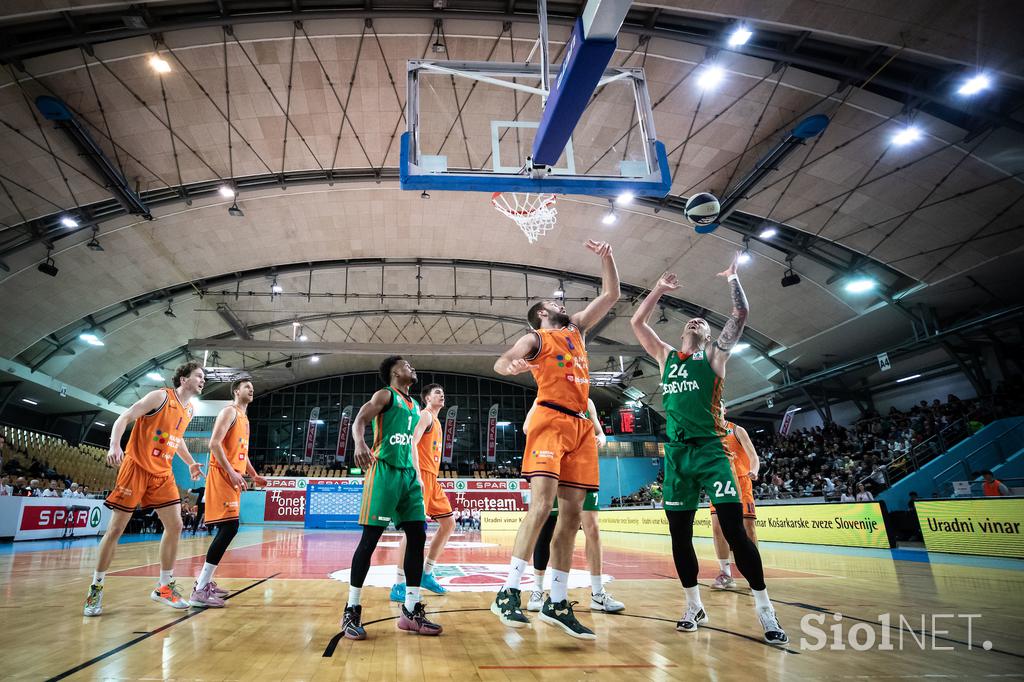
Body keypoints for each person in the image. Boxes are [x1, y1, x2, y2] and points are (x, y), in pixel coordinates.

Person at [629, 258, 787, 645]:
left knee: (735, 530)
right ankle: (693, 604)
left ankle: (765, 608)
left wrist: (733, 277)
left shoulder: (714, 358)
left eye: (701, 322)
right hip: (678, 454)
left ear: (710, 334)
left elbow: (741, 312)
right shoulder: (666, 357)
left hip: (713, 452)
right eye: (690, 321)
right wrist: (659, 290)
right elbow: (637, 323)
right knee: (679, 535)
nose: (694, 322)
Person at [491, 239, 619, 641]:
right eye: (555, 304)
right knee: (543, 506)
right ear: (543, 314)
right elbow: (503, 358)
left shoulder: (577, 330)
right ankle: (508, 591)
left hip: (581, 427)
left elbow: (612, 294)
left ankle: (558, 601)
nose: (563, 305)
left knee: (572, 516)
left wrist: (606, 258)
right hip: (550, 419)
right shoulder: (536, 339)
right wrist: (507, 365)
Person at [83, 361, 206, 617]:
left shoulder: (190, 410)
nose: (202, 379)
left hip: (162, 473)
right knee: (116, 529)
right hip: (136, 467)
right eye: (198, 375)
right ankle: (96, 587)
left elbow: (177, 438)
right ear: (183, 379)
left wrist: (191, 461)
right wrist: (114, 444)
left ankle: (163, 586)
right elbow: (125, 416)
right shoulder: (160, 397)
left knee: (176, 526)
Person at [340, 356, 441, 640]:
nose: (413, 368)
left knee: (418, 537)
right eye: (407, 365)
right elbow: (359, 419)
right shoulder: (386, 395)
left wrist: (418, 476)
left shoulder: (416, 406)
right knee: (370, 540)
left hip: (408, 476)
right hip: (383, 471)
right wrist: (359, 443)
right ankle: (352, 608)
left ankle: (410, 611)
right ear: (396, 372)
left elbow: (410, 443)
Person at [526, 397, 625, 614]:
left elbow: (601, 433)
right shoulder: (545, 397)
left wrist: (601, 438)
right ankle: (537, 589)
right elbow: (527, 428)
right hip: (554, 467)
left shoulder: (588, 402)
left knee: (593, 529)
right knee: (547, 529)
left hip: (583, 468)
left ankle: (598, 593)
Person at [190, 378, 266, 607]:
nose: (251, 389)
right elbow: (214, 444)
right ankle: (200, 589)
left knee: (229, 527)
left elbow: (242, 452)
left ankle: (205, 582)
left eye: (253, 387)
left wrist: (252, 475)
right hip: (222, 475)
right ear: (235, 391)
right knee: (230, 527)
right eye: (246, 387)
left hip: (233, 476)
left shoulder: (245, 418)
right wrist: (232, 473)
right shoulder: (229, 412)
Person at [390, 383, 456, 603]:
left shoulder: (436, 421)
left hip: (433, 478)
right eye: (437, 392)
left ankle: (427, 572)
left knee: (449, 524)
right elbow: (410, 443)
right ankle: (399, 583)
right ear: (427, 398)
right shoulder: (425, 416)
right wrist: (416, 475)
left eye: (442, 392)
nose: (442, 394)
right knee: (412, 532)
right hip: (422, 476)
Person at [710, 401, 759, 590]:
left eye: (718, 406)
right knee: (717, 528)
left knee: (748, 529)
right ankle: (725, 574)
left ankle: (753, 570)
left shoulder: (737, 430)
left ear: (724, 410)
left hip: (741, 481)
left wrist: (754, 470)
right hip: (719, 483)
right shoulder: (708, 432)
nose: (715, 409)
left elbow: (753, 456)